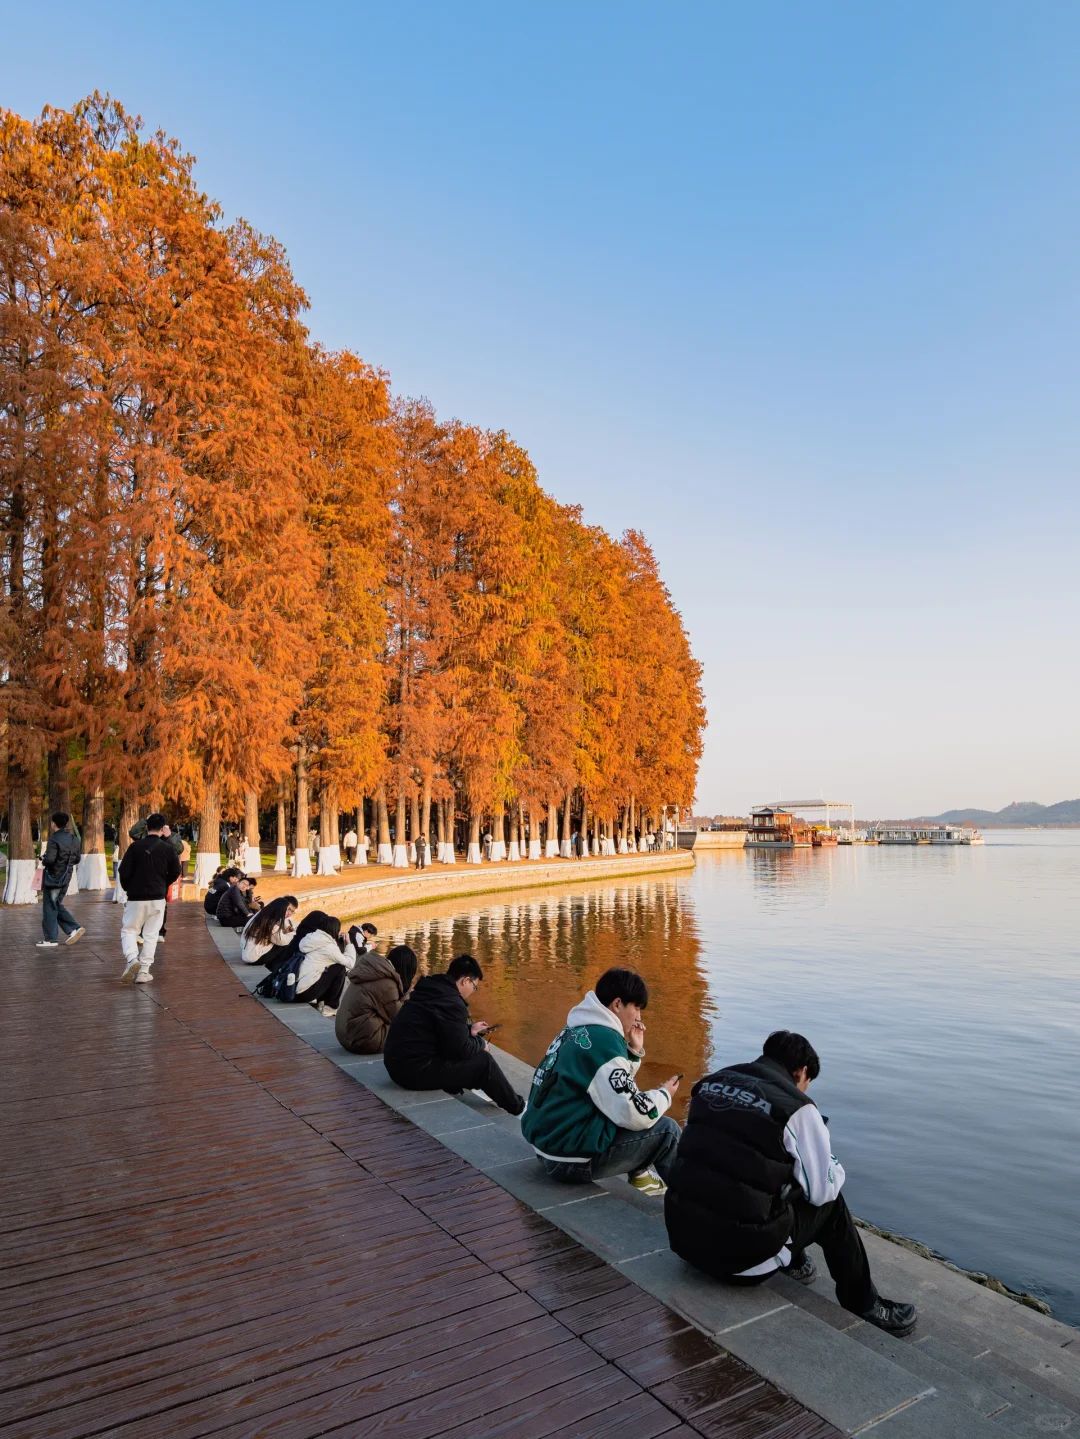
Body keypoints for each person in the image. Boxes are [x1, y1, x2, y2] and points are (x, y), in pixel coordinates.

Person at [664, 1030, 917, 1337]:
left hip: (685, 1241)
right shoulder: (798, 1108)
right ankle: (865, 1303)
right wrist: (828, 1158)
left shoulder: (710, 1083)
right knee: (829, 1203)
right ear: (801, 1072)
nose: (806, 1090)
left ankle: (794, 1263)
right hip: (737, 1262)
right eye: (807, 1083)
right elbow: (823, 1189)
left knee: (760, 1170)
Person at [521, 967, 681, 1195]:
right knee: (668, 1131)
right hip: (568, 1161)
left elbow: (609, 1084)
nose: (638, 1017)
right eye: (635, 1007)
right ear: (617, 1004)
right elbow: (633, 1111)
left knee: (618, 1103)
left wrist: (633, 1051)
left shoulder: (577, 1028)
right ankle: (693, 1204)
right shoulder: (604, 1042)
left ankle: (641, 1173)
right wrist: (664, 1095)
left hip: (547, 1146)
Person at [383, 954, 525, 1115]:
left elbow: (441, 1029)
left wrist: (469, 1030)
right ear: (465, 980)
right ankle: (517, 1106)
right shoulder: (451, 1002)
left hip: (397, 1064)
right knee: (484, 1062)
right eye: (474, 986)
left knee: (468, 1049)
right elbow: (460, 1049)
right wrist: (481, 1044)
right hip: (412, 1072)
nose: (473, 991)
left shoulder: (433, 989)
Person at [117, 812, 181, 984]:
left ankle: (132, 959)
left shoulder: (135, 847)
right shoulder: (168, 848)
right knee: (151, 934)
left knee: (129, 930)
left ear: (146, 827)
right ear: (163, 829)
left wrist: (129, 888)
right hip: (158, 897)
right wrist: (163, 884)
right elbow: (176, 871)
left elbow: (123, 871)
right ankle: (144, 971)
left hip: (136, 897)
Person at [335, 942, 418, 1055]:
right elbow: (399, 1016)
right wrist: (409, 993)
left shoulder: (373, 971)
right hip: (362, 1041)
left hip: (345, 1035)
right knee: (412, 1029)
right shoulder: (386, 984)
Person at [36, 812, 84, 949]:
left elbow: (50, 860)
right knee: (56, 904)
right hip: (67, 876)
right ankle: (73, 929)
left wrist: (43, 860)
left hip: (53, 877)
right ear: (67, 823)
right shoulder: (74, 839)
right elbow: (77, 859)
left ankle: (51, 939)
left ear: (53, 824)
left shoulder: (54, 839)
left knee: (50, 906)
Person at [292, 911, 355, 1014]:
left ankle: (321, 1001)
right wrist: (348, 943)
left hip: (295, 988)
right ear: (334, 929)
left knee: (329, 966)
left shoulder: (310, 937)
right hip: (304, 993)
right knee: (339, 968)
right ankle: (330, 1007)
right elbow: (350, 963)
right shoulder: (328, 947)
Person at [241, 894, 298, 966]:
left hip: (248, 952)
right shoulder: (271, 922)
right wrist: (292, 933)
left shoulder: (264, 914)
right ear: (280, 908)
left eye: (292, 911)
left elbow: (274, 933)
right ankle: (273, 969)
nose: (289, 913)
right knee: (287, 945)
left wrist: (286, 931)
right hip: (254, 957)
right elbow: (281, 940)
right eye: (288, 909)